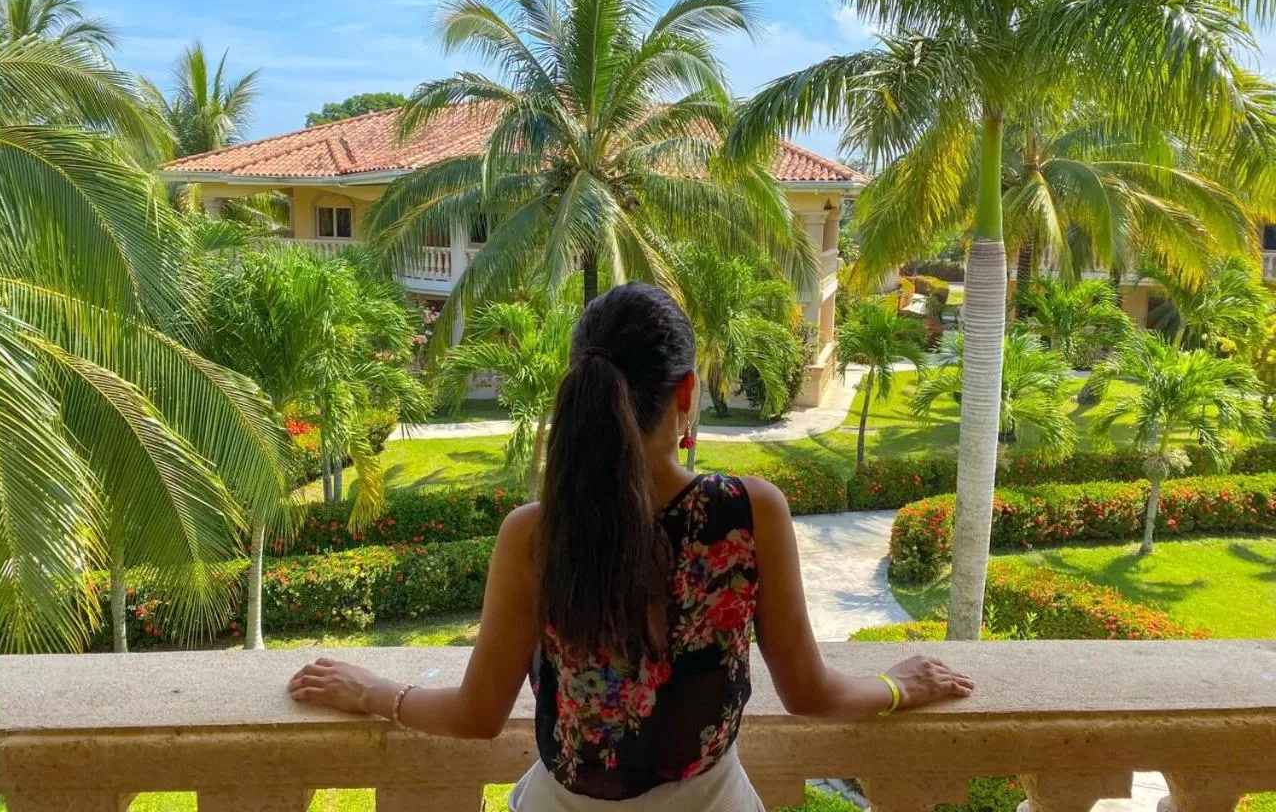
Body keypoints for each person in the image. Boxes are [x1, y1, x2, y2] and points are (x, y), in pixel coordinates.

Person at [288, 282, 973, 810]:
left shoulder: (535, 533)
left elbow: (475, 715)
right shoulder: (748, 513)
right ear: (686, 392)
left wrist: (372, 690)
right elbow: (809, 692)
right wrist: (896, 686)